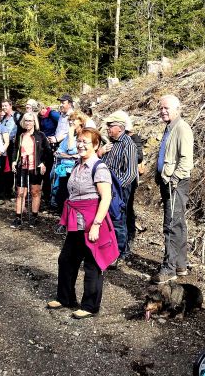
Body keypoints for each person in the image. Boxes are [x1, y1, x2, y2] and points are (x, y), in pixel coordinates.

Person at [46, 128, 118, 319]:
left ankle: (89, 306)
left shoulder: (99, 168)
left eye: (85, 141)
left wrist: (96, 224)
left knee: (93, 265)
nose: (80, 144)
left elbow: (106, 197)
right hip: (75, 222)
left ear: (95, 145)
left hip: (93, 223)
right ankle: (65, 298)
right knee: (66, 260)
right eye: (79, 141)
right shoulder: (78, 165)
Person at [152, 94, 194, 284]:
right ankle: (180, 265)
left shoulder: (182, 128)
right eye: (161, 108)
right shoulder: (169, 127)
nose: (163, 111)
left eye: (166, 108)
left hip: (176, 183)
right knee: (178, 224)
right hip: (168, 181)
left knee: (171, 225)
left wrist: (174, 178)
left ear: (178, 108)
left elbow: (186, 160)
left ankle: (169, 269)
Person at [100, 111, 138, 264]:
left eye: (111, 126)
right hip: (107, 187)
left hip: (118, 190)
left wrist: (116, 189)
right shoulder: (111, 144)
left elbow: (130, 174)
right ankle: (109, 250)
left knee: (119, 220)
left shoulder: (128, 144)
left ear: (120, 128)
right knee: (107, 219)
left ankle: (120, 253)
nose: (108, 128)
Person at [10, 112, 51, 229]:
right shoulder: (20, 136)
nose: (28, 123)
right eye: (26, 120)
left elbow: (48, 152)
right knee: (20, 193)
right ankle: (18, 217)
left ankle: (34, 216)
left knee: (35, 192)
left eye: (30, 121)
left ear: (34, 122)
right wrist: (14, 161)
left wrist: (43, 163)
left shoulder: (41, 136)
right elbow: (15, 150)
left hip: (35, 168)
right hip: (22, 166)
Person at [50, 111, 87, 214]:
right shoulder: (68, 136)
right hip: (64, 169)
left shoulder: (84, 135)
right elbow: (58, 152)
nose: (71, 122)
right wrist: (71, 156)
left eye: (74, 120)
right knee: (61, 194)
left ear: (80, 122)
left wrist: (70, 133)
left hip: (75, 170)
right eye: (70, 120)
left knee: (70, 195)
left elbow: (72, 150)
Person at [124, 115, 144, 254]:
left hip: (129, 179)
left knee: (127, 209)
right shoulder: (114, 139)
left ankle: (129, 238)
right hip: (117, 179)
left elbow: (139, 157)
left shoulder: (134, 138)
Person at [0, 100, 20, 202]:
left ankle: (13, 191)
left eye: (6, 106)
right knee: (6, 168)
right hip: (4, 145)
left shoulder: (17, 116)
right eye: (2, 106)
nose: (4, 108)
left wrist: (18, 137)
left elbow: (21, 127)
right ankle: (6, 190)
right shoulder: (2, 118)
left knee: (13, 167)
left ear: (11, 106)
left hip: (13, 145)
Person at [38, 106, 60, 206]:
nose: (41, 111)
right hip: (43, 144)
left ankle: (49, 195)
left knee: (49, 170)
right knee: (44, 169)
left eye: (42, 109)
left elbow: (62, 123)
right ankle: (45, 193)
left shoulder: (52, 114)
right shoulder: (40, 117)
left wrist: (56, 137)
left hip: (52, 145)